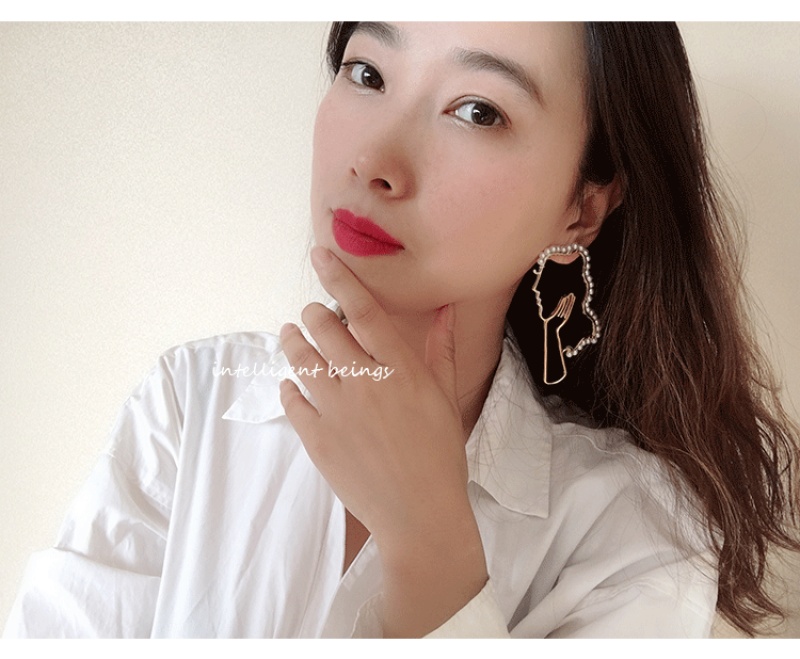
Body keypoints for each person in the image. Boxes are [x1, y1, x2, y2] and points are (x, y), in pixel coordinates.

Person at [4, 21, 799, 638]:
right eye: (367, 73)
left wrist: (432, 551)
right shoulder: (193, 405)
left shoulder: (635, 528)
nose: (375, 160)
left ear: (582, 208)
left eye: (478, 110)